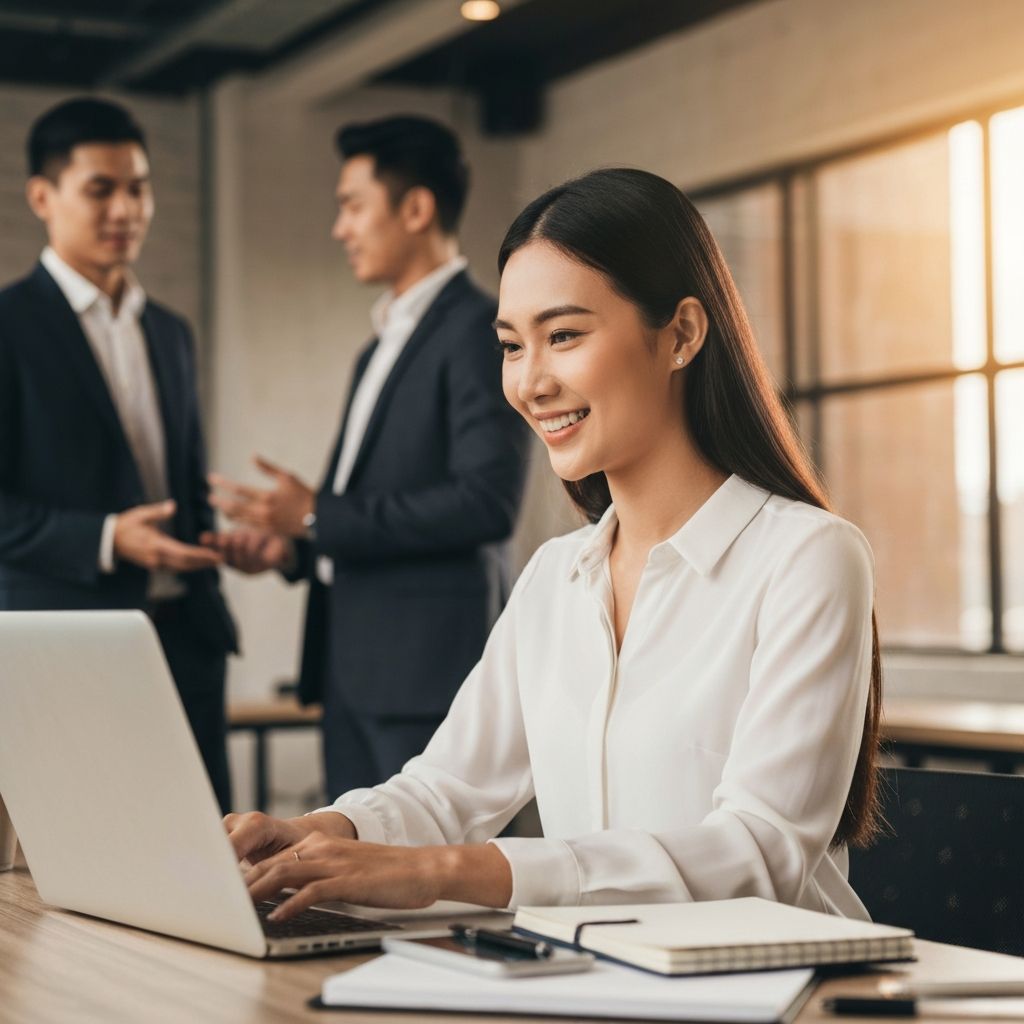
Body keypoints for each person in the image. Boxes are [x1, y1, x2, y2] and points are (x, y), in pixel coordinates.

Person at [224, 167, 882, 920]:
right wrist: (312, 834)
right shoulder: (555, 578)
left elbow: (759, 851)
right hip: (604, 984)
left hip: (786, 994)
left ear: (683, 334)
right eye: (511, 345)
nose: (530, 382)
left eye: (563, 336)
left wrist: (448, 871)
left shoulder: (808, 558)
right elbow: (448, 789)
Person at [203, 116, 529, 797]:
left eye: (352, 206)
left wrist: (317, 514)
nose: (340, 228)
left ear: (415, 209)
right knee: (357, 889)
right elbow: (360, 512)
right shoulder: (376, 346)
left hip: (425, 674)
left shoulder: (480, 329)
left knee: (416, 886)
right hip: (350, 673)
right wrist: (293, 546)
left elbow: (486, 501)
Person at [0, 98, 238, 811]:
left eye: (138, 187)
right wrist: (106, 538)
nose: (125, 209)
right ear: (43, 197)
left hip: (185, 641)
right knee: (80, 862)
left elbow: (178, 482)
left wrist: (225, 535)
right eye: (100, 189)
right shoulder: (8, 326)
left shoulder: (170, 331)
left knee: (203, 856)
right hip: (68, 645)